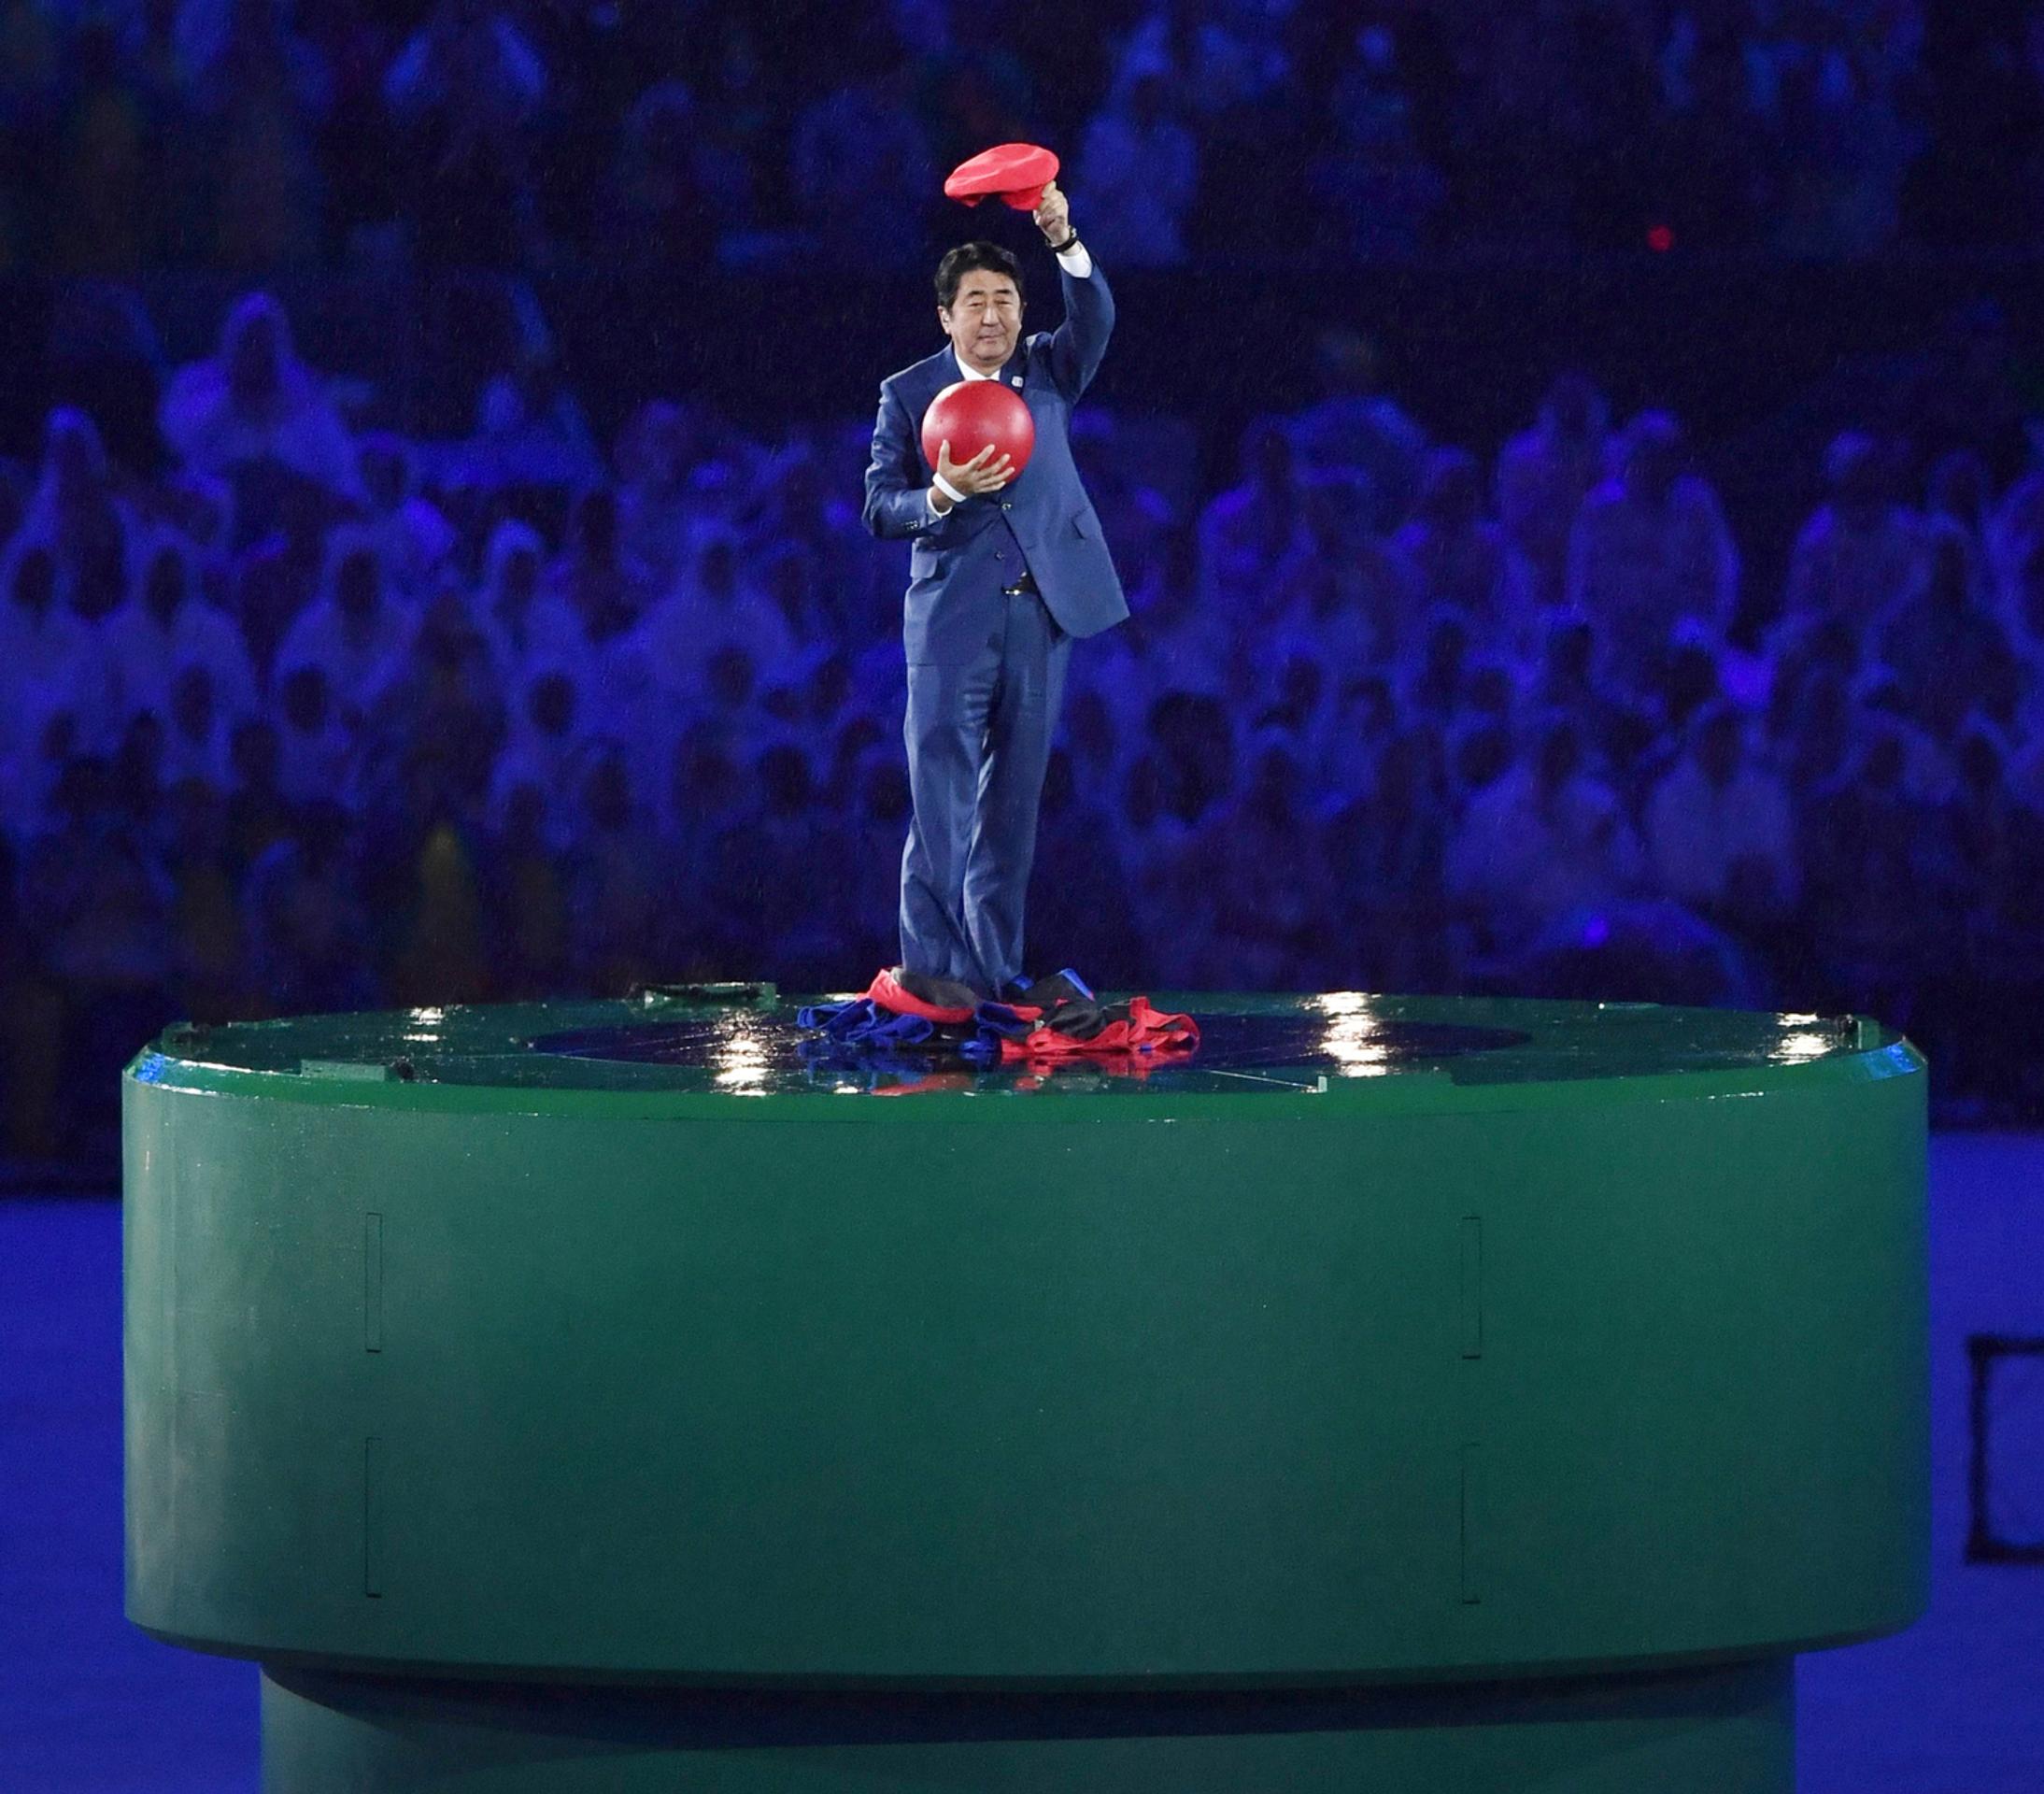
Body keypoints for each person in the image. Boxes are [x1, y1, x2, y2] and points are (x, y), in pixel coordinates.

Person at [861, 184, 1128, 997]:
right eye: (974, 301)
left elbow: (1097, 322)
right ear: (945, 316)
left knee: (1012, 807)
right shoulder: (908, 393)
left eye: (1005, 299)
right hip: (951, 625)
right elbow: (879, 505)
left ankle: (994, 972)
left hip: (1039, 615)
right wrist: (939, 495)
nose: (992, 315)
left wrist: (1065, 240)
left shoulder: (1048, 367)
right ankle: (932, 978)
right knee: (940, 801)